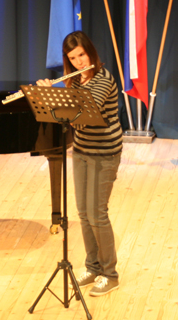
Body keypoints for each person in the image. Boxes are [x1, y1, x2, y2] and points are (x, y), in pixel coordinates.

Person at [37, 31, 123, 296]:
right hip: (82, 150)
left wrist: (52, 97)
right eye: (73, 58)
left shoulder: (103, 80)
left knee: (97, 214)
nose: (79, 62)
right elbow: (72, 115)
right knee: (83, 213)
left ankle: (110, 275)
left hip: (104, 152)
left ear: (90, 52)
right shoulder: (74, 80)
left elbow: (82, 118)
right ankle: (93, 267)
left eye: (82, 55)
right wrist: (51, 97)